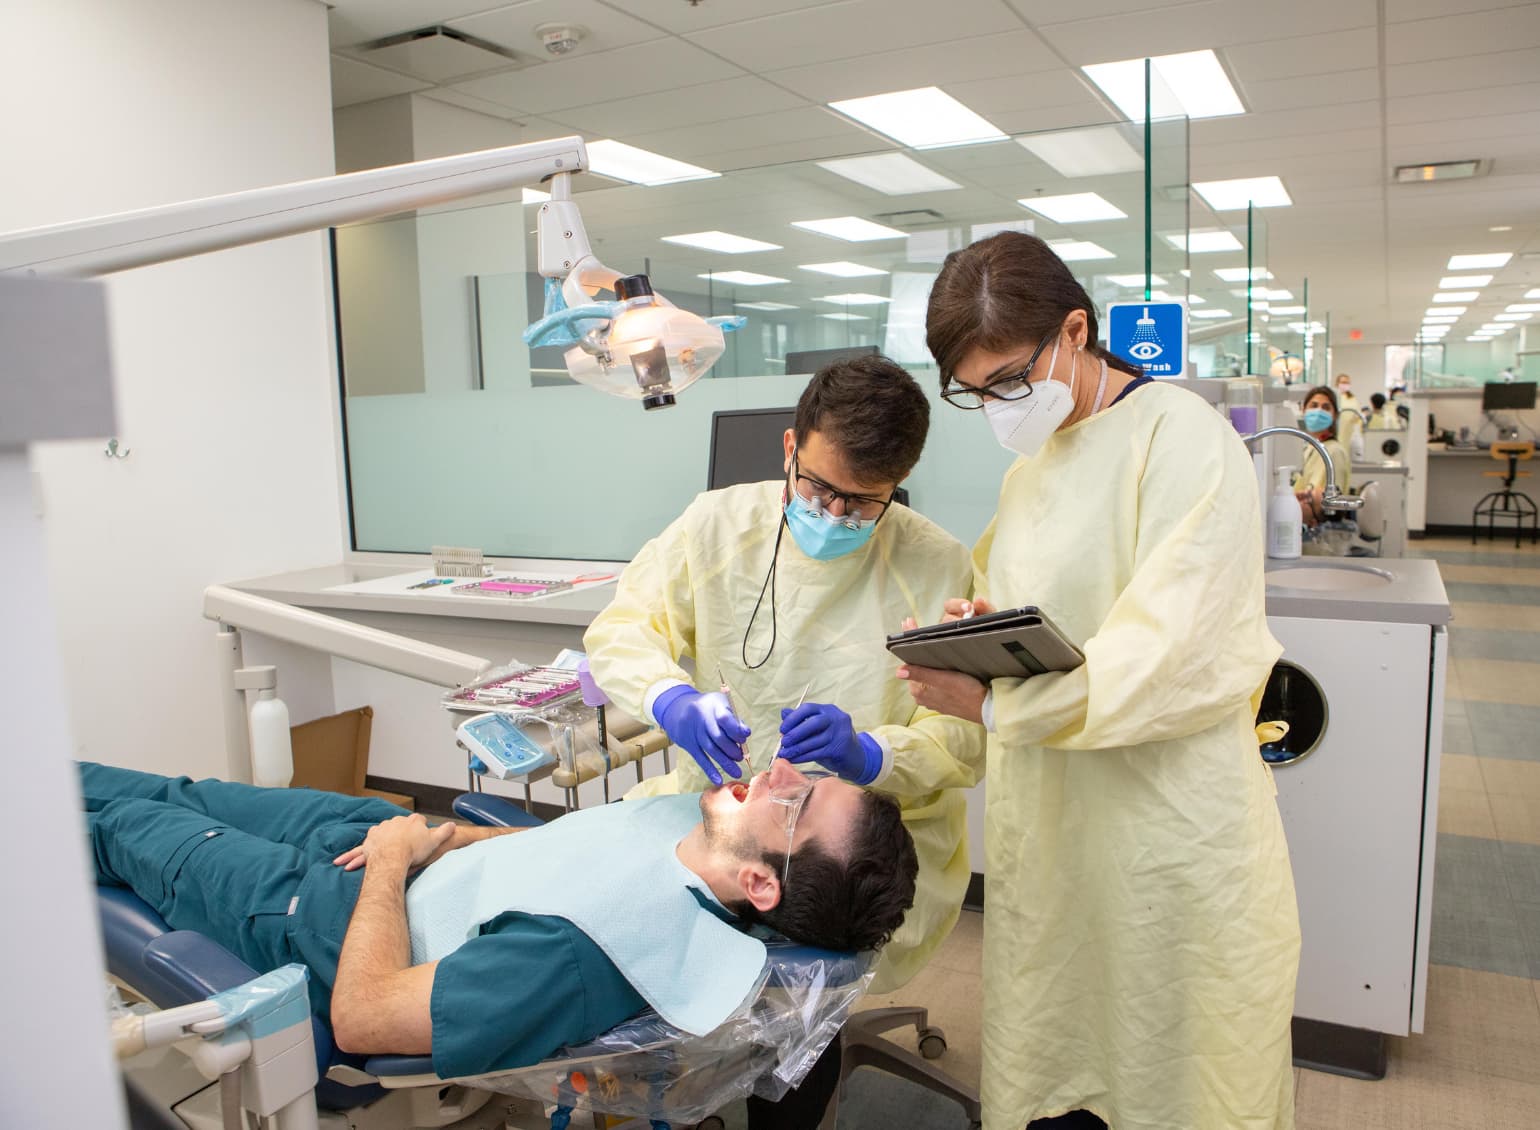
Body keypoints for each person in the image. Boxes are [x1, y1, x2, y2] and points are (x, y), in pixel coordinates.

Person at [909, 231, 1298, 1130]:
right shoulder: (1033, 471)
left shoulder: (1186, 441)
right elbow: (1040, 611)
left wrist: (1000, 700)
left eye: (1010, 379)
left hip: (1165, 828)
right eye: (977, 393)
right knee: (1063, 1051)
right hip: (1055, 823)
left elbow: (1167, 656)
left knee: (1180, 1069)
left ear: (1075, 331)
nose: (1002, 406)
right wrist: (983, 632)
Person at [584, 355, 986, 1126]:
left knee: (799, 1004)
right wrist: (669, 699)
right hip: (722, 812)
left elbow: (965, 739)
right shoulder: (716, 527)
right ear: (789, 446)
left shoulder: (934, 563)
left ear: (898, 486)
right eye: (817, 486)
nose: (833, 513)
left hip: (851, 843)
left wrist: (873, 757)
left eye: (862, 504)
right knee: (675, 976)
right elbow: (626, 626)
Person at [83, 758, 917, 1082]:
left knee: (108, 829)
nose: (775, 770)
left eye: (796, 800)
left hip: (324, 915)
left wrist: (390, 858)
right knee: (171, 793)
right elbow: (560, 847)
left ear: (760, 887)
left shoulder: (580, 959)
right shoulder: (687, 831)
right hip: (394, 849)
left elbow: (364, 1013)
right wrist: (444, 834)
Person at [1294, 385, 1352, 527]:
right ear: (1303, 410)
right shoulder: (1310, 447)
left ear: (1335, 415)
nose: (1318, 411)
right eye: (1313, 405)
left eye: (1326, 407)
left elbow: (1327, 505)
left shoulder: (1333, 452)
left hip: (1319, 529)